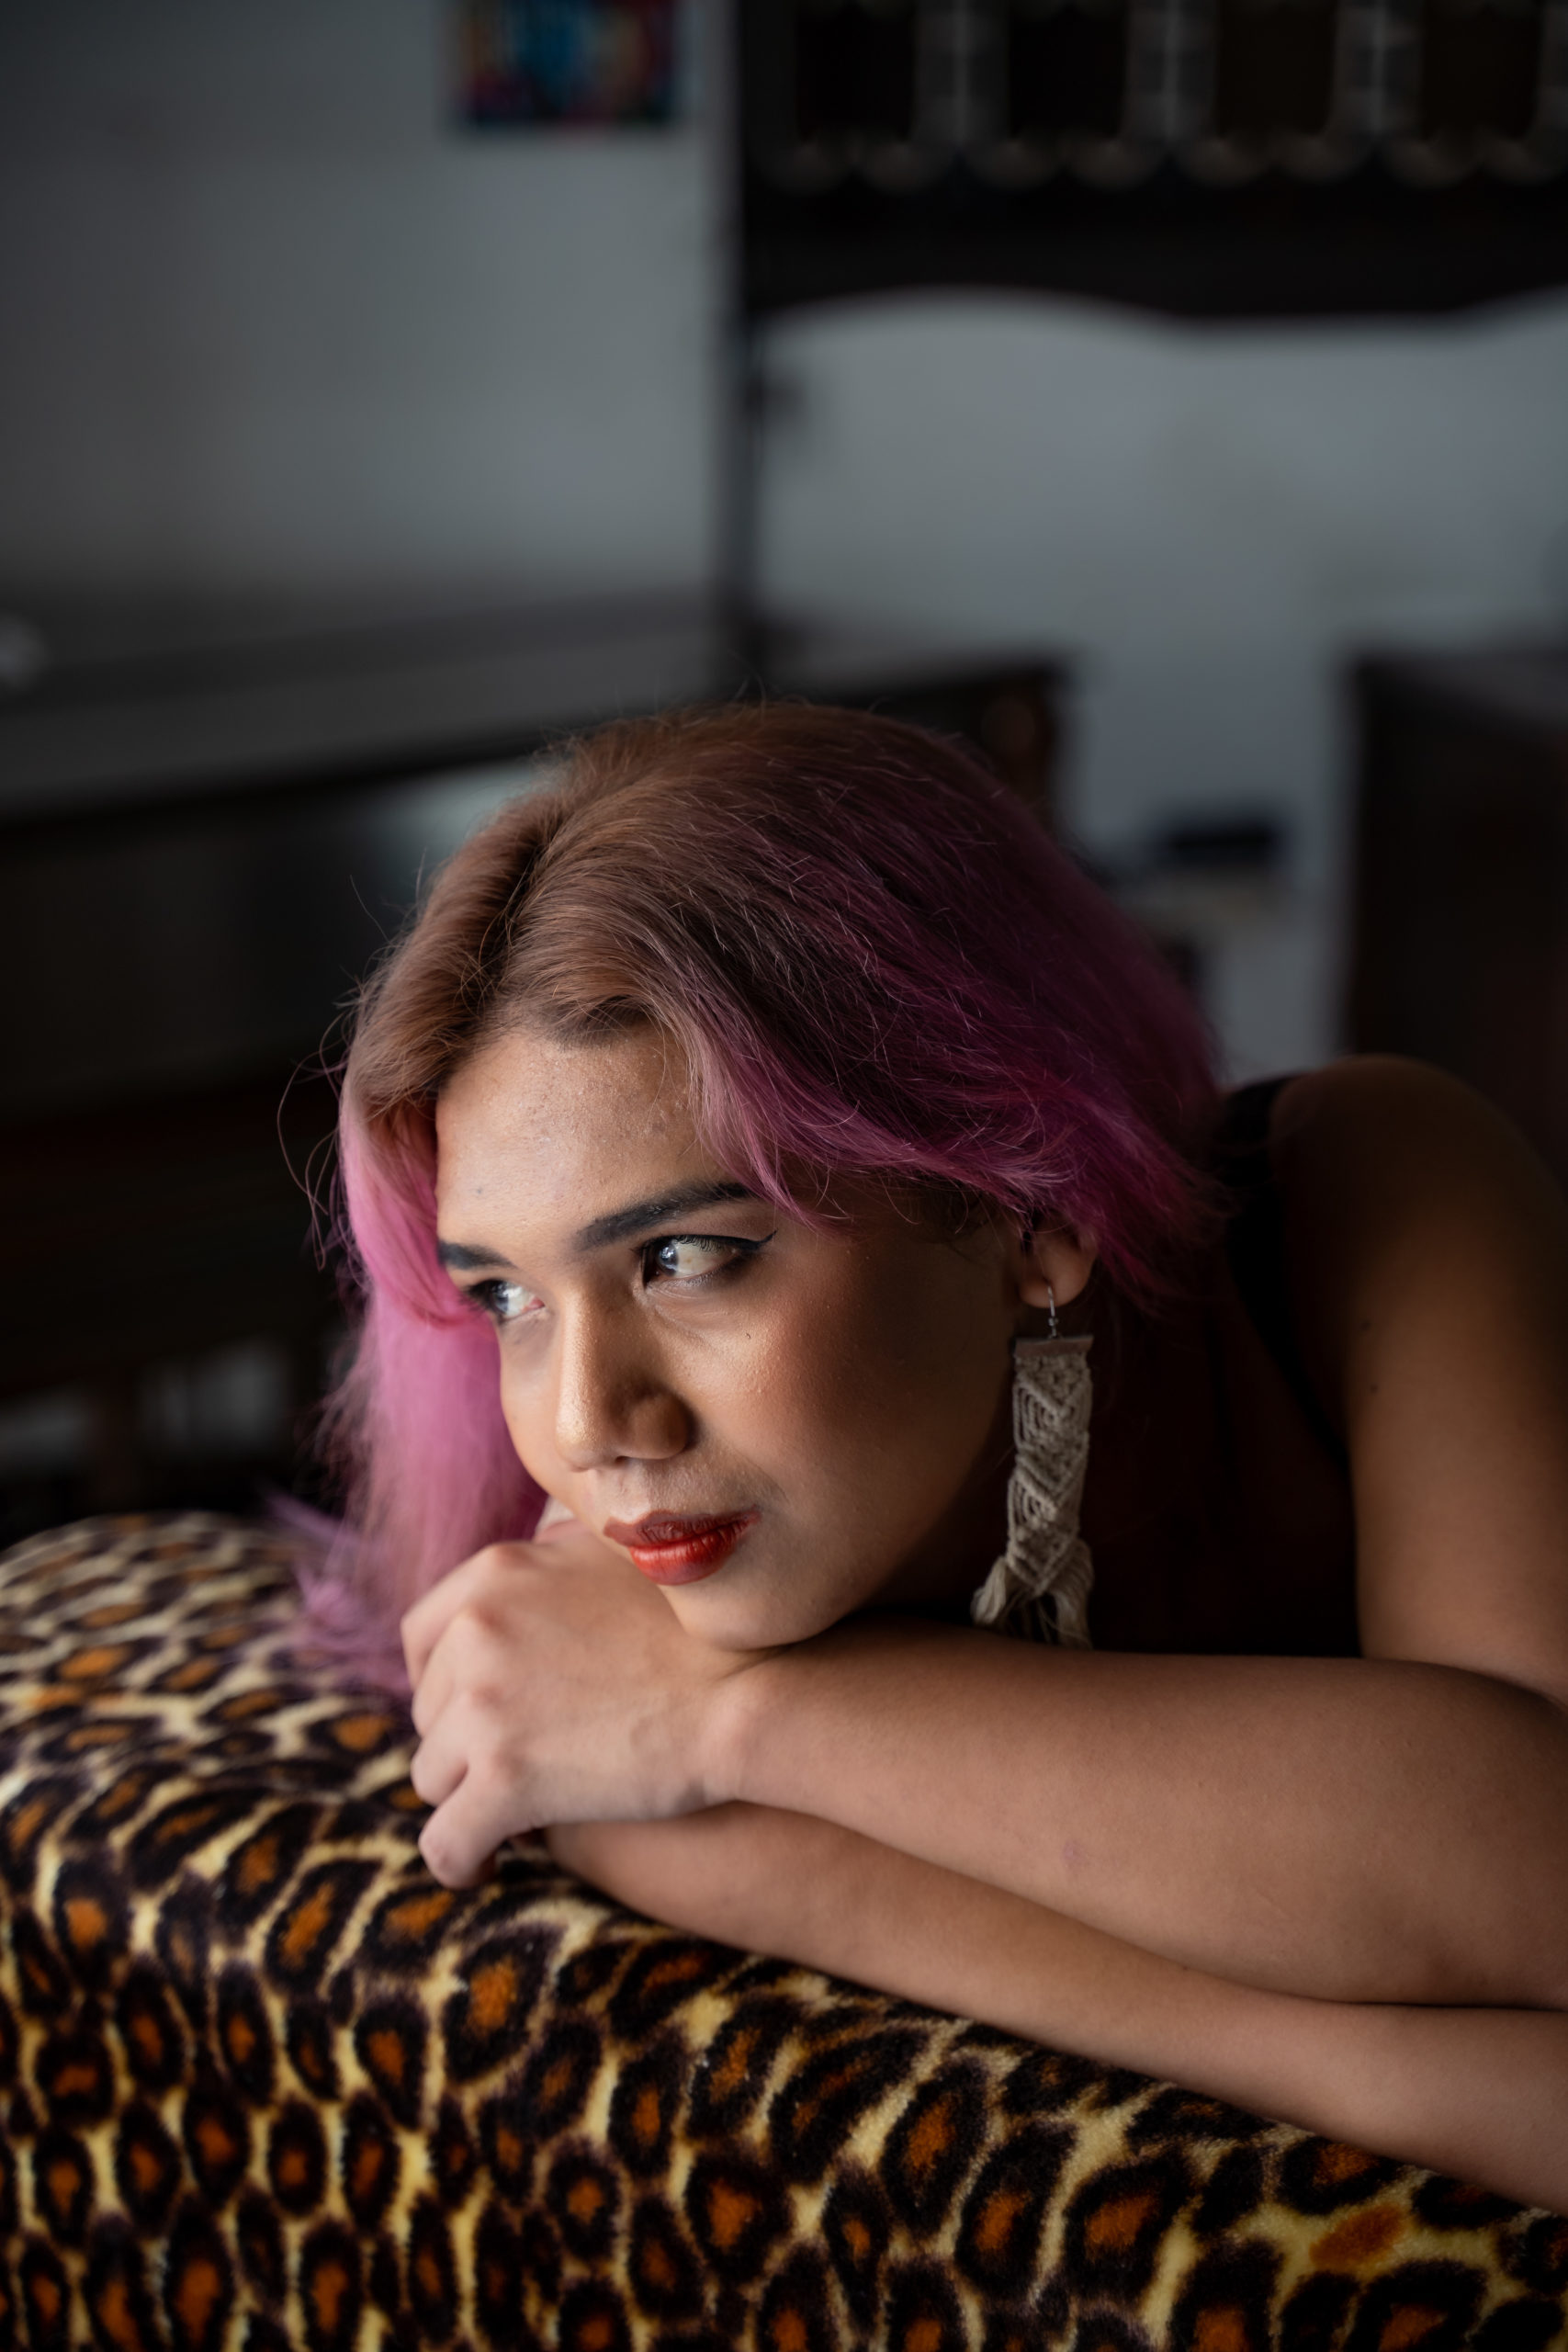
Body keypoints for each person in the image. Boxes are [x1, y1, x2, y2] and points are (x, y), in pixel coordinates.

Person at [317, 704, 1568, 2213]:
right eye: (507, 1301)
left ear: (1026, 1204)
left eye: (688, 1257)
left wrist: (740, 1717)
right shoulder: (586, 1683)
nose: (588, 1428)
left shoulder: (1367, 1187)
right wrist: (1345, 2060)